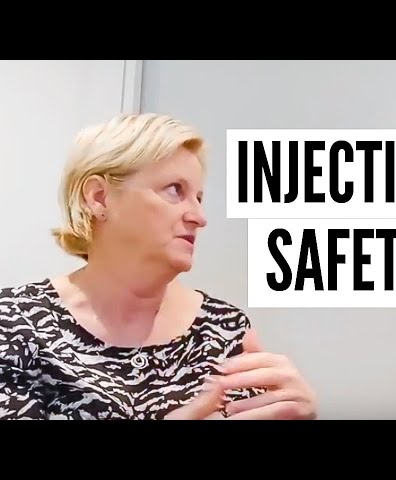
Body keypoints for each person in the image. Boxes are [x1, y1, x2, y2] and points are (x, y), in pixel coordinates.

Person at [0, 113, 317, 420]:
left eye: (199, 198)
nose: (199, 217)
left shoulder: (225, 328)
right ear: (99, 198)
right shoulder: (16, 322)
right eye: (175, 190)